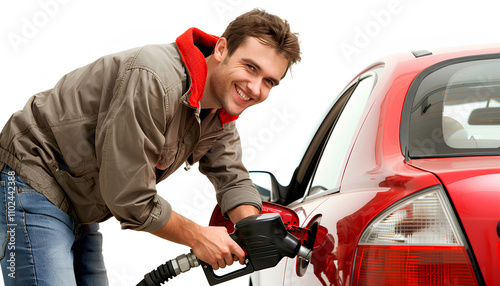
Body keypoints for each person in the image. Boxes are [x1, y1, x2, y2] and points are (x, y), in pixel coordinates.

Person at [0, 8, 301, 286]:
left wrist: (252, 230)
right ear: (221, 49)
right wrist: (198, 237)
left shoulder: (218, 109)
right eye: (250, 67)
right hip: (32, 175)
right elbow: (128, 196)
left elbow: (231, 174)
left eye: (269, 82)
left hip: (79, 200)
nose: (255, 88)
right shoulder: (154, 80)